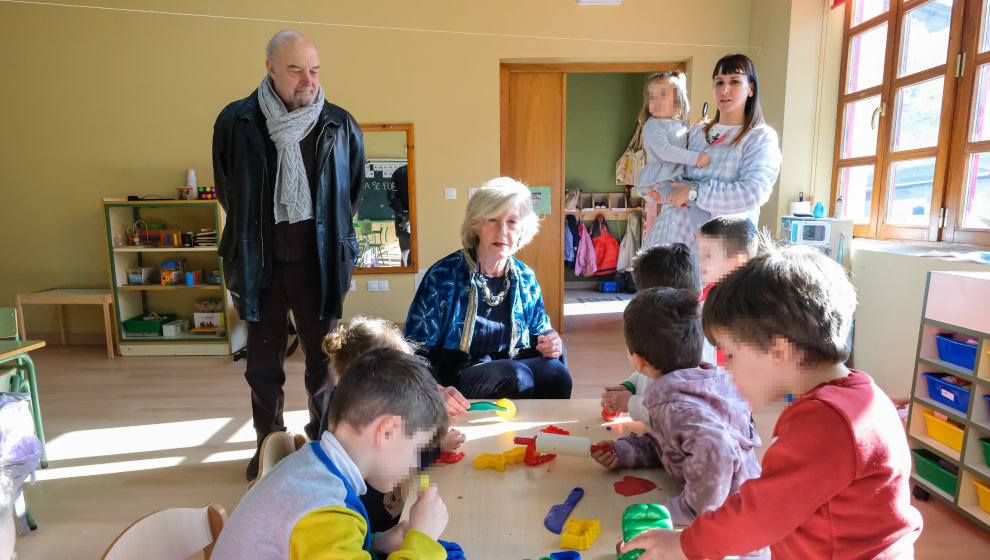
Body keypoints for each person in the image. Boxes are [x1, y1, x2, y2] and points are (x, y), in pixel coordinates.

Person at [620, 244, 923, 560]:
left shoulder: (826, 424)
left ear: (779, 352)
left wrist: (683, 544)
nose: (724, 367)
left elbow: (759, 515)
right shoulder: (858, 397)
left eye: (731, 354)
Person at [212, 29, 365, 480]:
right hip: (259, 263)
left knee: (325, 364)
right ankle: (268, 443)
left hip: (319, 266)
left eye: (314, 69)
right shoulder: (235, 122)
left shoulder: (340, 124)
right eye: (296, 69)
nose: (307, 80)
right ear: (271, 68)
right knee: (262, 364)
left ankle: (324, 443)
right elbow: (228, 191)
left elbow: (348, 195)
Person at [212, 348, 451, 559]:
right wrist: (423, 540)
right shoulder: (326, 510)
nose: (414, 464)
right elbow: (325, 529)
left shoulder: (311, 465)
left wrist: (376, 542)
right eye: (416, 449)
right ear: (387, 432)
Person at [592, 289, 764, 556]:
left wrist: (684, 510)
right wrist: (626, 451)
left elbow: (716, 451)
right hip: (740, 512)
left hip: (732, 536)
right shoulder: (703, 381)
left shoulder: (673, 405)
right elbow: (672, 442)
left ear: (639, 361)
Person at [404, 177, 571, 399]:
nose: (502, 231)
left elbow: (541, 330)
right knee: (516, 375)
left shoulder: (525, 277)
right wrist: (435, 390)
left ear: (522, 230)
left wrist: (552, 342)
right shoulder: (443, 275)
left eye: (512, 222)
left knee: (556, 373)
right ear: (477, 225)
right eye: (492, 219)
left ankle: (542, 432)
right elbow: (415, 349)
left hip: (513, 365)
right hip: (458, 375)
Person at [320, 316, 467, 533]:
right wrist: (422, 540)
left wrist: (378, 542)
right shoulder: (336, 511)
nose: (414, 458)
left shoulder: (350, 435)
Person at [648, 54, 781, 256]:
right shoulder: (696, 133)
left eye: (734, 81)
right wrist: (656, 185)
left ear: (751, 89)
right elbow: (670, 174)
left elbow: (752, 193)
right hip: (666, 245)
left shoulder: (760, 138)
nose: (724, 90)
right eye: (719, 82)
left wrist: (695, 191)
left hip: (717, 258)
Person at [601, 243, 697, 422]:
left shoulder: (689, 346)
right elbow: (650, 371)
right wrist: (628, 387)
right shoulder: (666, 331)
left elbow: (669, 408)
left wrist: (629, 403)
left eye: (639, 293)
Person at [634, 72, 711, 249]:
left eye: (663, 94)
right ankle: (705, 243)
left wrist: (698, 127)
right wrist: (695, 159)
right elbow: (665, 152)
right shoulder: (653, 125)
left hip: (674, 179)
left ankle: (702, 243)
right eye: (652, 97)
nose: (656, 100)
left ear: (678, 101)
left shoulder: (677, 125)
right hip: (664, 179)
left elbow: (683, 141)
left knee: (689, 208)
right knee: (693, 207)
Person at [696, 216, 758, 366]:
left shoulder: (749, 302)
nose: (700, 261)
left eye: (708, 255)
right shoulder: (708, 291)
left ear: (738, 261)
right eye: (701, 253)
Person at [389, 165, 412, 266]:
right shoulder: (399, 172)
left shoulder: (399, 172)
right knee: (406, 255)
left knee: (405, 256)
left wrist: (404, 214)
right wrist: (406, 215)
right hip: (405, 224)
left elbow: (391, 197)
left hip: (403, 223)